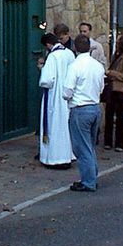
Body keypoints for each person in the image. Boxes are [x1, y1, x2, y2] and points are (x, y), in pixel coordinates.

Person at [62, 35, 105, 191]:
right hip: (95, 106)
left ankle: (88, 181)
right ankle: (91, 176)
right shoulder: (98, 66)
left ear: (75, 47)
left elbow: (67, 91)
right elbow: (101, 88)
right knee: (90, 146)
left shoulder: (75, 66)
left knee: (81, 147)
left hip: (80, 108)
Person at [38, 33, 76, 168]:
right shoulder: (69, 53)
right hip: (68, 95)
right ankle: (68, 154)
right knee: (65, 126)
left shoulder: (53, 57)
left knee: (55, 125)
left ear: (48, 45)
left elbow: (47, 80)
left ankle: (55, 158)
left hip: (55, 97)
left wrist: (41, 69)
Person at [103, 33, 123, 152]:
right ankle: (108, 141)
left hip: (120, 90)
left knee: (120, 117)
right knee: (109, 115)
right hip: (112, 89)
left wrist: (111, 73)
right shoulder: (116, 56)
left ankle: (121, 142)